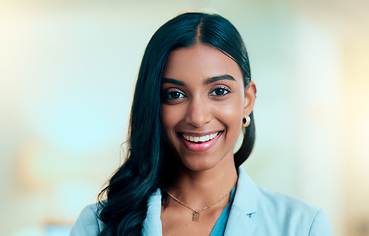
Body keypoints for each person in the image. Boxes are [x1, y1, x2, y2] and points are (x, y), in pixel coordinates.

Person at [70, 12, 333, 236]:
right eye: (174, 94)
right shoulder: (97, 224)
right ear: (153, 106)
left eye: (219, 91)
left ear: (248, 100)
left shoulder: (301, 226)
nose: (197, 117)